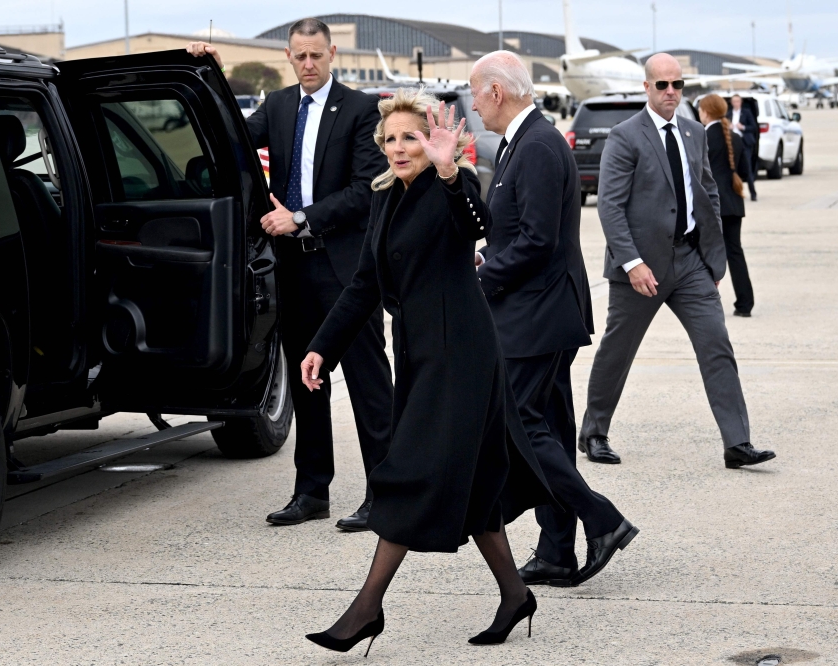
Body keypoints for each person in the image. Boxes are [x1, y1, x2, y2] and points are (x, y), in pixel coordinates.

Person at [299, 90, 555, 654]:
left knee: (408, 472)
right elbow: (365, 282)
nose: (398, 147)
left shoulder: (448, 190)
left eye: (409, 136)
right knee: (479, 485)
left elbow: (477, 224)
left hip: (461, 357)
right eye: (389, 139)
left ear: (433, 141)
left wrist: (448, 172)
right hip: (421, 356)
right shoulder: (385, 199)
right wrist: (324, 346)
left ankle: (366, 609)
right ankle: (515, 595)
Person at [187, 19, 393, 531]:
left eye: (315, 56)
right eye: (299, 56)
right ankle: (311, 492)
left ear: (332, 54)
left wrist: (301, 217)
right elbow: (226, 133)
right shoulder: (277, 107)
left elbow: (366, 188)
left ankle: (386, 495)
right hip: (294, 268)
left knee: (369, 383)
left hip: (345, 269)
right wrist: (207, 71)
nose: (307, 64)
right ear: (288, 55)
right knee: (307, 382)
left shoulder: (360, 109)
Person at [468, 51, 636, 588]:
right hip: (542, 310)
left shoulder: (536, 145)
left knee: (521, 426)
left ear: (497, 91)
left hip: (536, 314)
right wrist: (488, 253)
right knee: (555, 433)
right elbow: (519, 230)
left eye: (475, 94)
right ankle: (557, 551)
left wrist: (484, 279)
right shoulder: (528, 140)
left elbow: (538, 242)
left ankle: (602, 519)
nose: (472, 105)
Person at [579, 53, 775, 470]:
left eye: (678, 85)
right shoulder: (625, 136)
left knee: (716, 345)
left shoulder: (693, 132)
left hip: (689, 263)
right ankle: (594, 432)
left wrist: (712, 258)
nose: (671, 92)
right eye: (663, 85)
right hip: (640, 270)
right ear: (646, 88)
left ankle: (737, 443)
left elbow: (709, 194)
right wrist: (632, 263)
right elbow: (609, 206)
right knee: (618, 350)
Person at [703, 94, 755, 317]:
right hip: (733, 203)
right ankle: (745, 304)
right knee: (735, 252)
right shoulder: (734, 137)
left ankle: (703, 303)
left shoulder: (701, 137)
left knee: (703, 254)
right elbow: (744, 171)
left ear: (706, 112)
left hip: (710, 206)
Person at [730, 94, 759, 201]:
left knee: (747, 168)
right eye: (734, 101)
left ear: (741, 102)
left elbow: (754, 126)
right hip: (732, 144)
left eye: (738, 101)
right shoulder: (729, 114)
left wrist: (743, 127)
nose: (736, 103)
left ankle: (753, 193)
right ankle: (737, 193)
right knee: (733, 169)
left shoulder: (746, 112)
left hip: (745, 143)